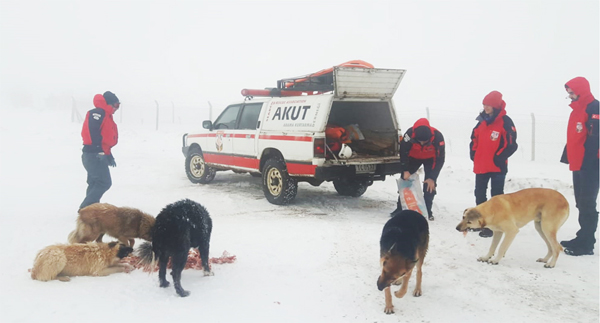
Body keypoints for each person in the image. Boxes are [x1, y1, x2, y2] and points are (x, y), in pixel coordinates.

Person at [469, 91, 518, 237]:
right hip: (481, 165)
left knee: (496, 198)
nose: (486, 107)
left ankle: (494, 226)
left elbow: (511, 144)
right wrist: (474, 154)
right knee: (479, 195)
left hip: (497, 167)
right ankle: (479, 223)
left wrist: (498, 157)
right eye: (484, 104)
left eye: (488, 105)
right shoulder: (481, 121)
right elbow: (474, 139)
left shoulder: (506, 121)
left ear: (495, 105)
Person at [560, 77, 599, 256]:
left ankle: (587, 244)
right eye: (568, 93)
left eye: (572, 92)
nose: (570, 96)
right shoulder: (576, 110)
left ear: (581, 90)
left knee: (587, 203)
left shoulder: (594, 108)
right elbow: (575, 137)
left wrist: (588, 161)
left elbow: (595, 138)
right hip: (578, 164)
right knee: (580, 202)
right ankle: (581, 236)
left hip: (591, 164)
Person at [392, 118, 445, 221]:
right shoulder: (409, 134)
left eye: (424, 142)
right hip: (413, 158)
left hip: (431, 159)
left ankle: (427, 210)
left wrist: (432, 178)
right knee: (405, 180)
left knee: (429, 185)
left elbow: (440, 159)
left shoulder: (438, 137)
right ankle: (400, 208)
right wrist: (405, 170)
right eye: (420, 141)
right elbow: (403, 152)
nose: (421, 143)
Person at [79, 91, 120, 210]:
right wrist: (98, 150)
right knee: (104, 182)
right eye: (115, 105)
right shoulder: (97, 113)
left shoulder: (107, 116)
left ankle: (91, 209)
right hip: (93, 154)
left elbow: (104, 138)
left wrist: (108, 154)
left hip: (97, 154)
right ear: (108, 103)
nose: (116, 109)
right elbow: (91, 132)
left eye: (118, 106)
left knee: (95, 183)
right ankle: (85, 210)